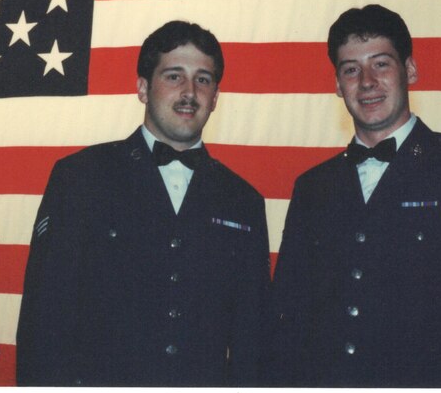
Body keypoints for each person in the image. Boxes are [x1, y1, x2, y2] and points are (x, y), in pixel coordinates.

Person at [265, 4, 441, 387]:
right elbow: (286, 319)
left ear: (411, 70)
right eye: (351, 69)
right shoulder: (313, 187)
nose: (367, 81)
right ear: (338, 86)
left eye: (381, 64)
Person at [16, 20, 270, 386]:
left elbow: (253, 342)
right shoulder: (81, 178)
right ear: (142, 87)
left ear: (215, 97)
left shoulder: (242, 201)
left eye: (203, 79)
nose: (189, 92)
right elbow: (44, 322)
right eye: (173, 76)